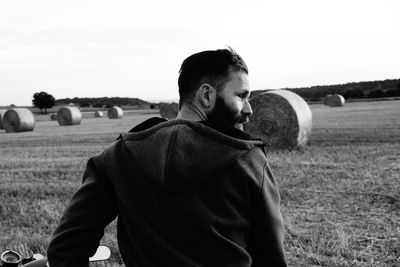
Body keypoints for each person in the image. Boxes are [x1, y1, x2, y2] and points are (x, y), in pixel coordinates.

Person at [47, 48, 287, 266]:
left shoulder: (117, 157)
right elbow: (271, 260)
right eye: (241, 96)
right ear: (207, 95)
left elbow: (65, 250)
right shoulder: (249, 161)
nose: (249, 109)